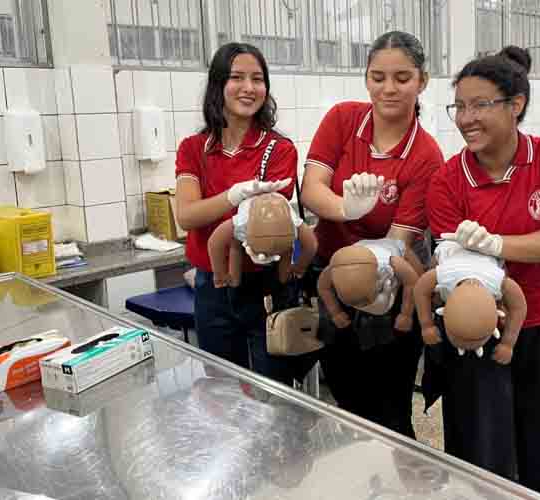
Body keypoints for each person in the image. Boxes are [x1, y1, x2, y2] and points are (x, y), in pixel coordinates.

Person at [427, 46, 540, 500]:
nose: (467, 118)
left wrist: (495, 245)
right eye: (460, 107)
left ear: (516, 106)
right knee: (480, 449)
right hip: (475, 331)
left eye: (481, 105)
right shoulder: (449, 178)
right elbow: (454, 268)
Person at [300, 31, 443, 438]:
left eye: (402, 77)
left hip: (390, 287)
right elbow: (313, 189)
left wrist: (363, 254)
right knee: (347, 401)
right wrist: (346, 209)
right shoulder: (343, 119)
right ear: (366, 78)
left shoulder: (426, 155)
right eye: (378, 77)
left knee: (390, 411)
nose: (389, 88)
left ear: (422, 81)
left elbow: (398, 241)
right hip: (331, 282)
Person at [175, 43, 318, 387]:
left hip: (266, 287)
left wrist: (234, 209)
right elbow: (187, 216)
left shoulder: (278, 149)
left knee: (274, 393)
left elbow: (266, 228)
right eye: (237, 77)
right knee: (222, 389)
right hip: (211, 287)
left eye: (257, 79)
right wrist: (234, 195)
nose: (248, 88)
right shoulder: (194, 149)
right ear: (218, 85)